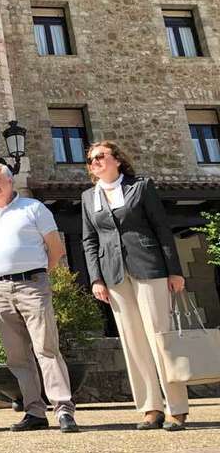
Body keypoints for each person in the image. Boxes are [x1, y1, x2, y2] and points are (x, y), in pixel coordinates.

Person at [81, 141, 189, 431]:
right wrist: (95, 278)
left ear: (117, 160)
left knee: (160, 338)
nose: (95, 163)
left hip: (149, 268)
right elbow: (89, 241)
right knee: (133, 343)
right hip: (114, 276)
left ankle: (177, 407)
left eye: (100, 157)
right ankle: (151, 408)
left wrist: (174, 271)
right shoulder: (88, 197)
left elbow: (161, 229)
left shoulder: (140, 187)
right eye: (91, 160)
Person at [0, 164, 79, 433]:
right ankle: (34, 411)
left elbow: (55, 249)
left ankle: (63, 409)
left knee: (46, 347)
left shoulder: (34, 208)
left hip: (32, 284)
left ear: (10, 181)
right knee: (17, 356)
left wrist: (39, 276)